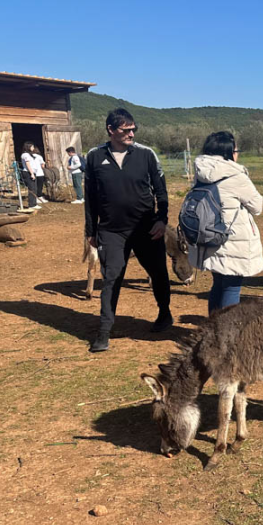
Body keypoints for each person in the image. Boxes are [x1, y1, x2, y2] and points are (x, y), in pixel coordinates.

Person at [84, 108, 172, 352]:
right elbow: (90, 197)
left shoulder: (146, 155)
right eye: (126, 130)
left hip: (146, 228)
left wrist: (161, 220)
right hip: (111, 231)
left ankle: (165, 314)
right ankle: (104, 331)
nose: (131, 133)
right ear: (111, 130)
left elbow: (161, 192)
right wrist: (90, 230)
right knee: (111, 278)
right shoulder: (94, 157)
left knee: (158, 273)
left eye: (134, 129)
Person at [188, 131, 263, 313]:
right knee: (231, 287)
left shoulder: (200, 173)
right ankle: (225, 335)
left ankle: (213, 329)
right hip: (232, 239)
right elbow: (257, 207)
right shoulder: (236, 175)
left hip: (207, 237)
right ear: (229, 151)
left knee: (218, 284)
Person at [20, 142, 46, 208]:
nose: (33, 148)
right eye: (32, 147)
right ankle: (31, 204)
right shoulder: (25, 154)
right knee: (31, 188)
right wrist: (31, 173)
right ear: (28, 147)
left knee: (34, 188)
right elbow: (28, 164)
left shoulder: (30, 155)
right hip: (28, 172)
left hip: (33, 172)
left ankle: (34, 203)